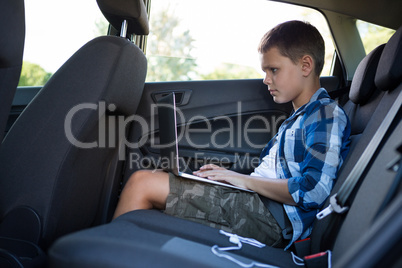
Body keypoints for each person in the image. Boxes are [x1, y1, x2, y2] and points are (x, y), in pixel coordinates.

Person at [113, 20, 351, 249]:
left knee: (141, 184)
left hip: (271, 218)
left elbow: (313, 191)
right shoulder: (297, 118)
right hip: (257, 203)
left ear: (306, 66)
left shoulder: (326, 114)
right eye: (265, 71)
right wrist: (231, 177)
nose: (266, 79)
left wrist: (242, 180)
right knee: (151, 179)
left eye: (273, 69)